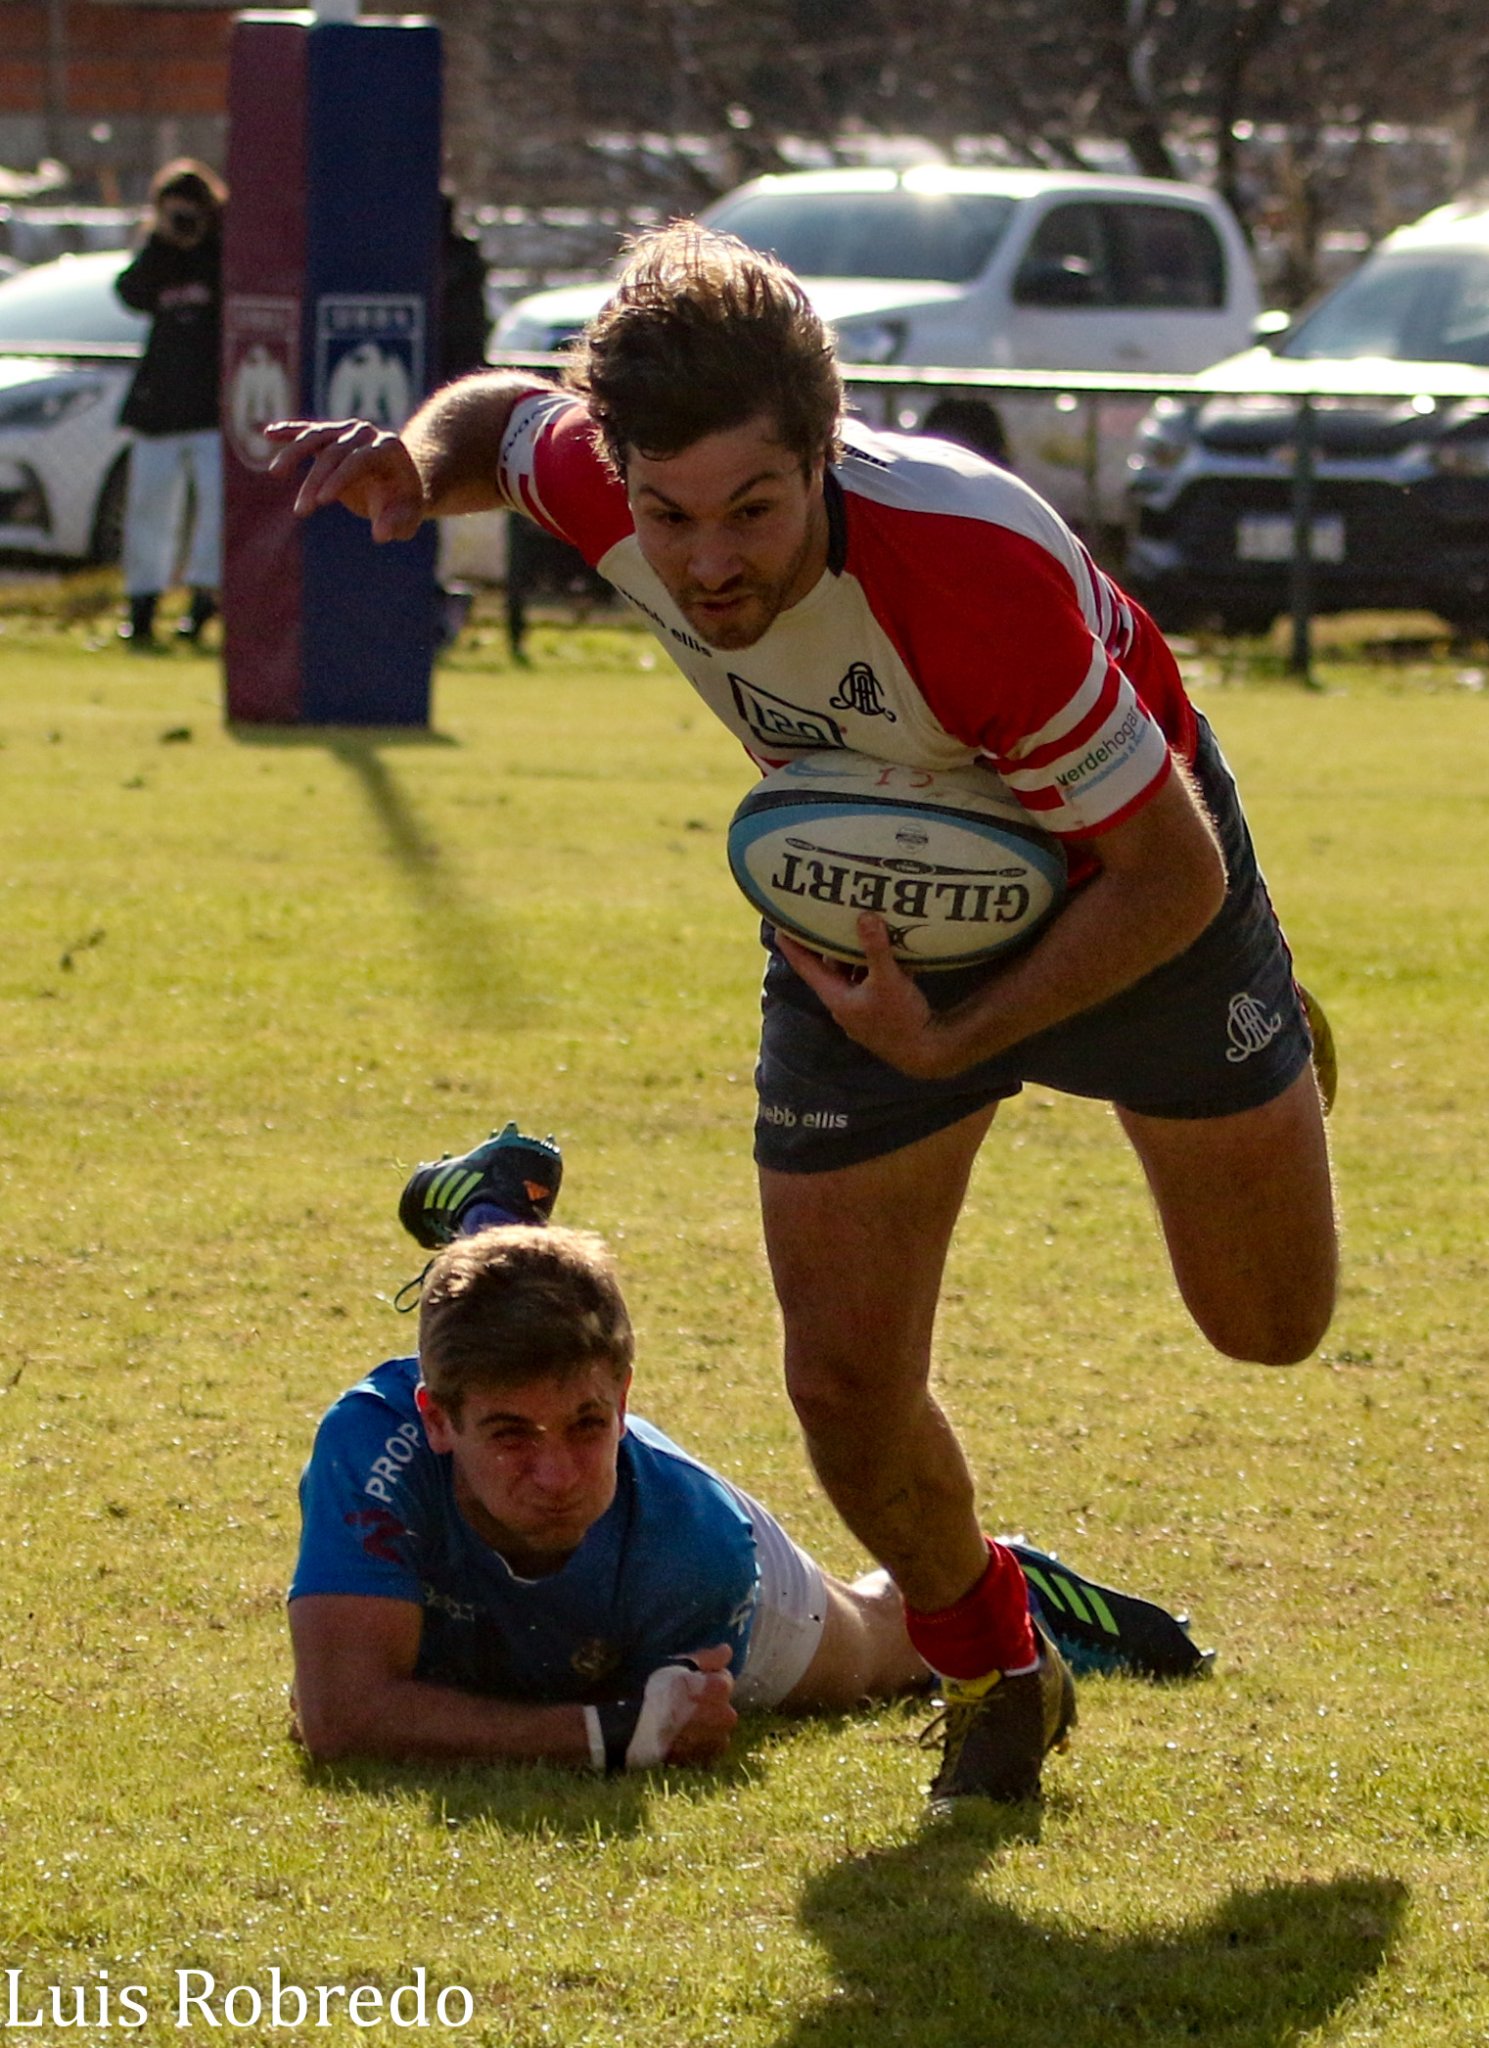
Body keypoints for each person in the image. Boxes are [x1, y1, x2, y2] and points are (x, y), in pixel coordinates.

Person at [265, 224, 1337, 1806]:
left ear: (824, 455)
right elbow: (499, 423)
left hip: (1132, 877)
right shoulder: (602, 478)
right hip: (863, 884)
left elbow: (1165, 876)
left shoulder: (969, 574)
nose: (707, 564)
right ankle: (994, 1665)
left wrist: (964, 1040)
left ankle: (1270, 1040)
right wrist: (419, 472)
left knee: (1268, 1326)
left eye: (755, 511)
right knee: (840, 1381)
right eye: (669, 515)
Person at [289, 1125, 1208, 1776]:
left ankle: (989, 1578)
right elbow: (340, 1719)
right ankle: (495, 1213)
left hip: (718, 1548)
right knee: (513, 1318)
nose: (559, 1476)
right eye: (510, 1437)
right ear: (437, 1418)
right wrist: (608, 1736)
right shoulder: (375, 1442)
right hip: (514, 1402)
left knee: (871, 1656)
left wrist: (631, 1730)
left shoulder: (694, 1556)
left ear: (626, 1401)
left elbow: (671, 1733)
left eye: (587, 1425)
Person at [114, 159, 225, 652]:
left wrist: (205, 241)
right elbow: (130, 293)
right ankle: (141, 607)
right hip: (159, 408)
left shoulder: (220, 253)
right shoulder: (161, 258)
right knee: (149, 511)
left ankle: (203, 602)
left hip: (211, 408)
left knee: (214, 513)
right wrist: (162, 242)